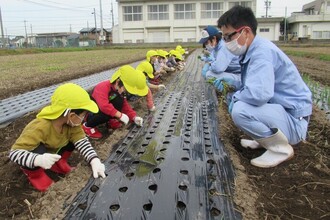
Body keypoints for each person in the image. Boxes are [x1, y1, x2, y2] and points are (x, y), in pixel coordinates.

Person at [217, 5, 313, 168]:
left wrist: (236, 96)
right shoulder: (253, 50)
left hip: (294, 122)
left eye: (228, 37)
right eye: (224, 38)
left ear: (245, 32)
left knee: (240, 110)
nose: (226, 43)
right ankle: (265, 140)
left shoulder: (261, 54)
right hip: (283, 113)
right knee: (241, 103)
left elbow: (259, 94)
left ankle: (280, 149)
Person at [9, 83, 106, 192]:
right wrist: (37, 159)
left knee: (74, 140)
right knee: (37, 150)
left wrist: (94, 160)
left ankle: (59, 162)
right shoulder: (39, 127)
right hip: (37, 154)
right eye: (83, 115)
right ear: (71, 115)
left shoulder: (72, 125)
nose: (83, 119)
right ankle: (36, 175)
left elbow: (82, 141)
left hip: (53, 151)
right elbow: (14, 153)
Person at [82, 65, 148, 139]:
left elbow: (125, 106)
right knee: (106, 113)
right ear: (117, 82)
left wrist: (134, 117)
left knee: (120, 101)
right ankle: (87, 126)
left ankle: (110, 121)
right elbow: (104, 106)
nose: (124, 91)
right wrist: (120, 115)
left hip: (104, 110)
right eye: (124, 88)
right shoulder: (103, 87)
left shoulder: (119, 91)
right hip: (94, 111)